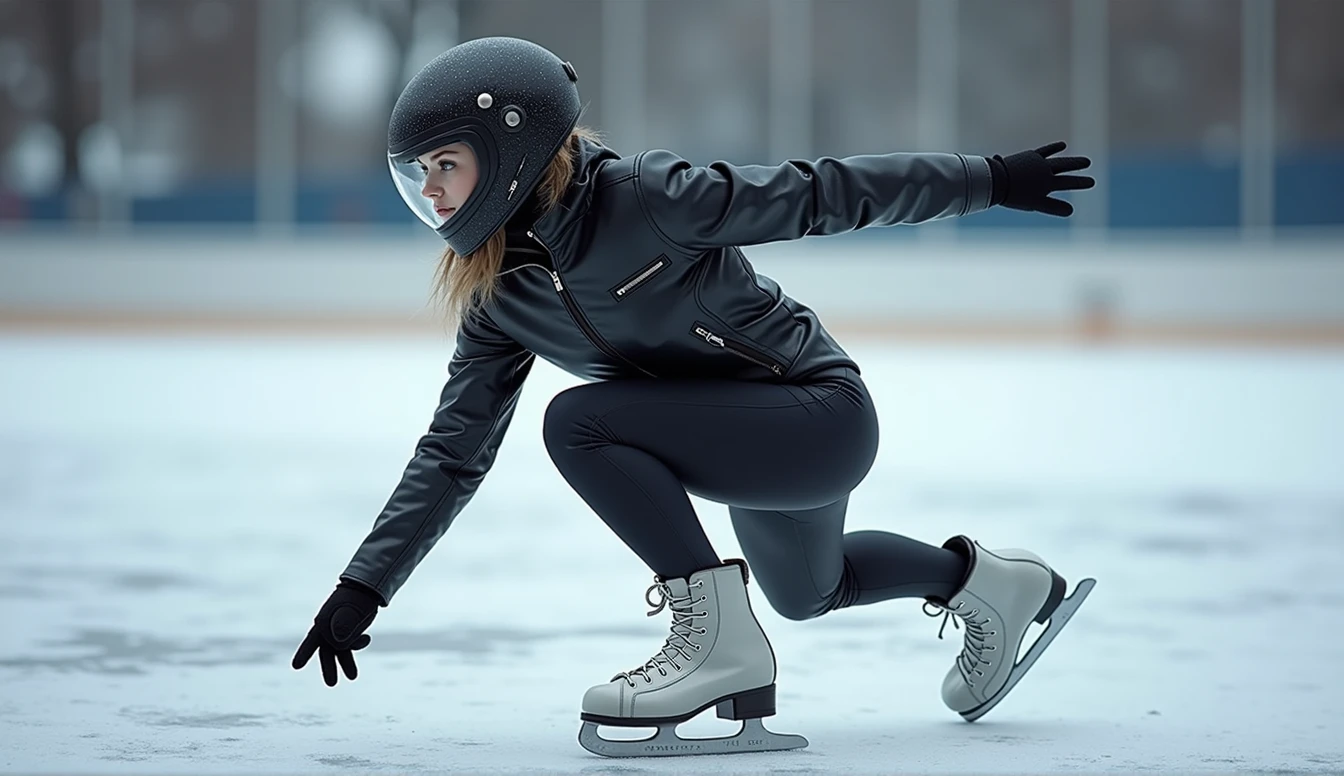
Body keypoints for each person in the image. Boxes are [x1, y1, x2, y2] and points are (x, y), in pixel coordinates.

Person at [291, 36, 1097, 758]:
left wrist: (988, 179)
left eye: (445, 165)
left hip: (816, 411)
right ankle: (989, 582)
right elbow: (455, 448)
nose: (431, 195)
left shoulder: (646, 198)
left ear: (511, 148)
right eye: (419, 176)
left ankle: (714, 643)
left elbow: (820, 192)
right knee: (811, 591)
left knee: (579, 422)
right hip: (734, 441)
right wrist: (367, 583)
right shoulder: (498, 294)